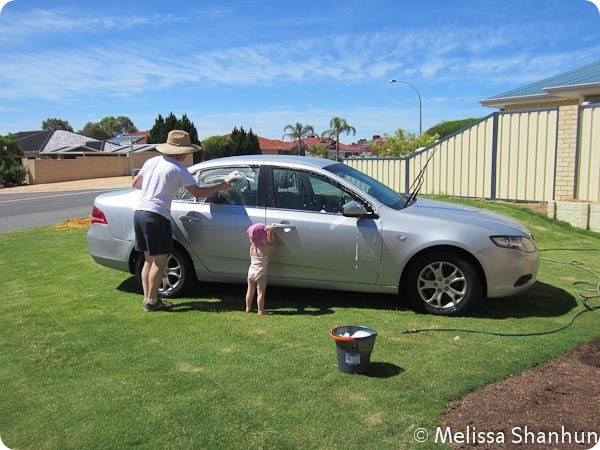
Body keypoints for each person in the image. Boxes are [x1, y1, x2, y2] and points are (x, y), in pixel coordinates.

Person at [132, 129, 237, 312]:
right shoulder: (178, 169)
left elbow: (136, 184)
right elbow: (198, 194)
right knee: (159, 261)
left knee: (148, 260)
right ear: (180, 151)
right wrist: (223, 185)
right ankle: (152, 301)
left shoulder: (152, 162)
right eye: (187, 151)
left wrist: (156, 189)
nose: (188, 154)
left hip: (140, 212)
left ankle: (149, 299)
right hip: (156, 217)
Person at [245, 223, 277, 315]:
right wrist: (272, 237)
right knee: (261, 293)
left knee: (250, 291)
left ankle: (248, 307)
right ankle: (260, 311)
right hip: (260, 274)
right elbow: (275, 248)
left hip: (251, 273)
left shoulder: (252, 247)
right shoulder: (265, 248)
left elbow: (257, 241)